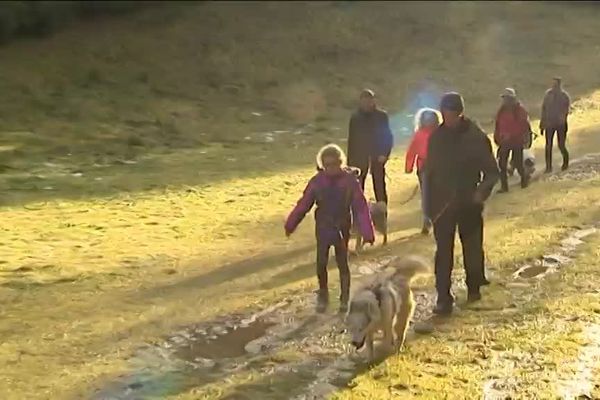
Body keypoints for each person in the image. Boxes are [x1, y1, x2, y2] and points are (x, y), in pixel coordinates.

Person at [425, 92, 500, 316]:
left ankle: (474, 287)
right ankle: (443, 297)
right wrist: (428, 208)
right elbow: (429, 173)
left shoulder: (476, 136)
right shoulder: (436, 138)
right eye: (445, 114)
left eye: (452, 114)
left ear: (460, 113)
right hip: (443, 204)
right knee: (443, 253)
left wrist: (480, 193)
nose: (448, 118)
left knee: (473, 248)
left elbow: (492, 172)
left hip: (469, 201)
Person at [285, 144, 375, 314]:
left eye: (334, 164)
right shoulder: (317, 182)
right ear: (322, 165)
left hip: (342, 225)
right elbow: (304, 204)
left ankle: (344, 298)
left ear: (340, 163)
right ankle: (323, 295)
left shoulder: (349, 181)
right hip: (323, 226)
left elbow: (360, 207)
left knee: (342, 263)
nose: (331, 168)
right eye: (327, 165)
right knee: (321, 262)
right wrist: (291, 223)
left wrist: (367, 231)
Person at [347, 89, 394, 204]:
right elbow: (352, 140)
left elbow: (388, 137)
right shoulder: (355, 118)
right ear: (360, 102)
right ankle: (358, 212)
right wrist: (350, 162)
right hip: (359, 157)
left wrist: (385, 154)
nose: (367, 104)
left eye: (369, 101)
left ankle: (382, 211)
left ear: (373, 101)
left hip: (377, 155)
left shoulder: (381, 116)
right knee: (358, 186)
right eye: (364, 101)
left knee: (379, 185)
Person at [405, 107, 441, 235]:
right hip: (424, 167)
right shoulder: (419, 134)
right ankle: (427, 220)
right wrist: (408, 166)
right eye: (427, 119)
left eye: (431, 119)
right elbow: (412, 151)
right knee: (426, 194)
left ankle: (438, 218)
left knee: (438, 193)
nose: (429, 122)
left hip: (439, 166)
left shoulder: (440, 133)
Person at [494, 88, 532, 192]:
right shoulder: (501, 111)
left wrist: (511, 135)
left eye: (507, 98)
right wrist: (497, 137)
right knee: (502, 165)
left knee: (518, 164)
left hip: (516, 142)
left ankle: (524, 179)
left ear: (512, 98)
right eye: (504, 98)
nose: (505, 101)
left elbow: (523, 126)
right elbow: (498, 125)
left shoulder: (520, 110)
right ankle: (504, 187)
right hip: (504, 142)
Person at [540, 77, 571, 173]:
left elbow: (566, 110)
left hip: (561, 124)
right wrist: (542, 124)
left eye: (556, 84)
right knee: (548, 146)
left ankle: (565, 163)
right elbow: (544, 109)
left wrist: (561, 119)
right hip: (549, 124)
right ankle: (548, 167)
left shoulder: (564, 96)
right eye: (553, 84)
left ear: (559, 85)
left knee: (561, 145)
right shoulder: (547, 95)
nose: (554, 86)